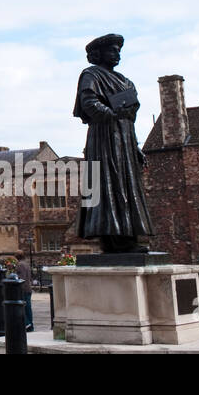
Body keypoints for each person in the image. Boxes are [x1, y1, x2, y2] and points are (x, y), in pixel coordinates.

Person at [73, 33, 155, 253]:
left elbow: (131, 117)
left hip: (124, 139)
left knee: (126, 186)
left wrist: (135, 146)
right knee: (107, 186)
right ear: (98, 54)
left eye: (119, 50)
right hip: (103, 139)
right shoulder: (91, 75)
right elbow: (88, 103)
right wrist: (112, 113)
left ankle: (127, 237)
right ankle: (114, 241)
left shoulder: (126, 81)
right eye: (112, 50)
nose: (117, 54)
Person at [14, 250, 34, 332]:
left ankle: (27, 323)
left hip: (23, 289)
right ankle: (30, 326)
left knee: (22, 308)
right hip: (28, 288)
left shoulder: (20, 265)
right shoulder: (26, 263)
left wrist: (18, 288)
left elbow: (22, 278)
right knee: (28, 308)